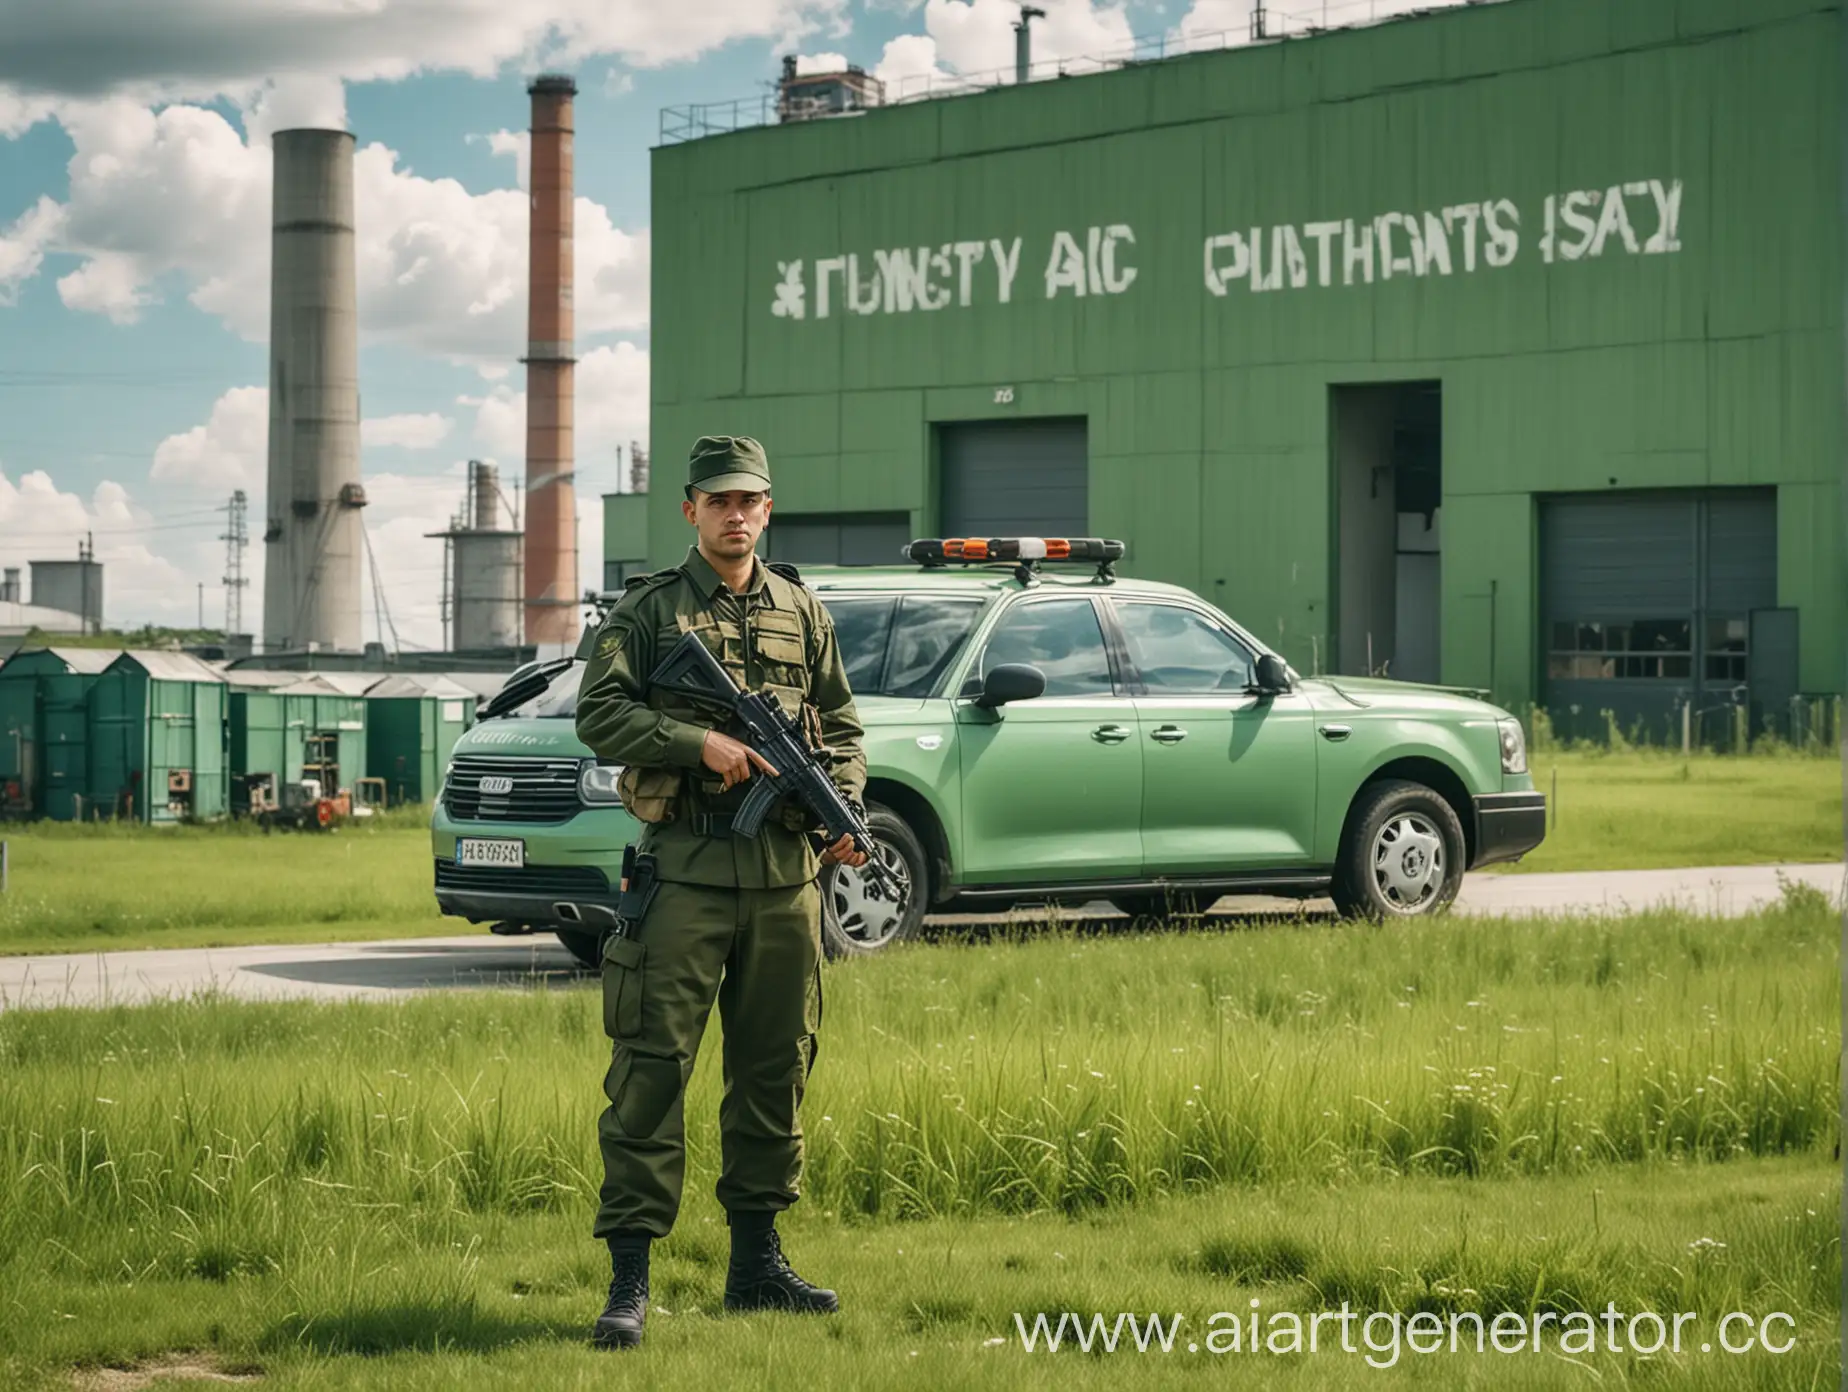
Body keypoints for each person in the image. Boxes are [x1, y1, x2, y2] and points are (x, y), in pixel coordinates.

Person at [573, 435, 870, 1350]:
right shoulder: (651, 612)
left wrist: (845, 805)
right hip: (688, 876)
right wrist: (698, 745)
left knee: (773, 1074)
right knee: (653, 1069)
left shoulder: (803, 610)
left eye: (750, 501)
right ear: (690, 510)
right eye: (718, 501)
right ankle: (629, 1280)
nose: (735, 515)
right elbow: (599, 714)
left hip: (785, 884)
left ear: (768, 509)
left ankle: (755, 1267)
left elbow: (846, 722)